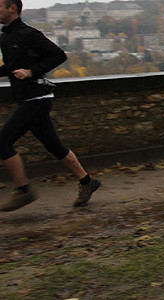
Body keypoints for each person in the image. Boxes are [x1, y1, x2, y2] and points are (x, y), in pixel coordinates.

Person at [0, 0, 100, 212]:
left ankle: (23, 190)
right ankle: (87, 182)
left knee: (2, 141)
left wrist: (31, 71)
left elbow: (59, 55)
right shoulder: (5, 37)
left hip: (36, 98)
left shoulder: (29, 34)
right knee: (53, 145)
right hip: (27, 98)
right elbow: (9, 68)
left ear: (12, 8)